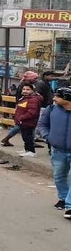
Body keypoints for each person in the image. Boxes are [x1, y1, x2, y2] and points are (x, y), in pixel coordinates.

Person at [37, 87, 71, 218]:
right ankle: (63, 198)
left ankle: (69, 206)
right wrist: (48, 137)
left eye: (57, 96)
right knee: (59, 176)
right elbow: (42, 125)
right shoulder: (51, 109)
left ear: (67, 99)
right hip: (57, 150)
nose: (54, 98)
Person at [12, 83, 43, 158]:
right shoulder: (24, 98)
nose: (25, 91)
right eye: (24, 89)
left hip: (28, 122)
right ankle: (27, 149)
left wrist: (21, 117)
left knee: (28, 137)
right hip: (23, 122)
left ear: (33, 90)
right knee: (25, 137)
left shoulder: (33, 100)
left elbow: (32, 112)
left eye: (28, 89)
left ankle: (31, 151)